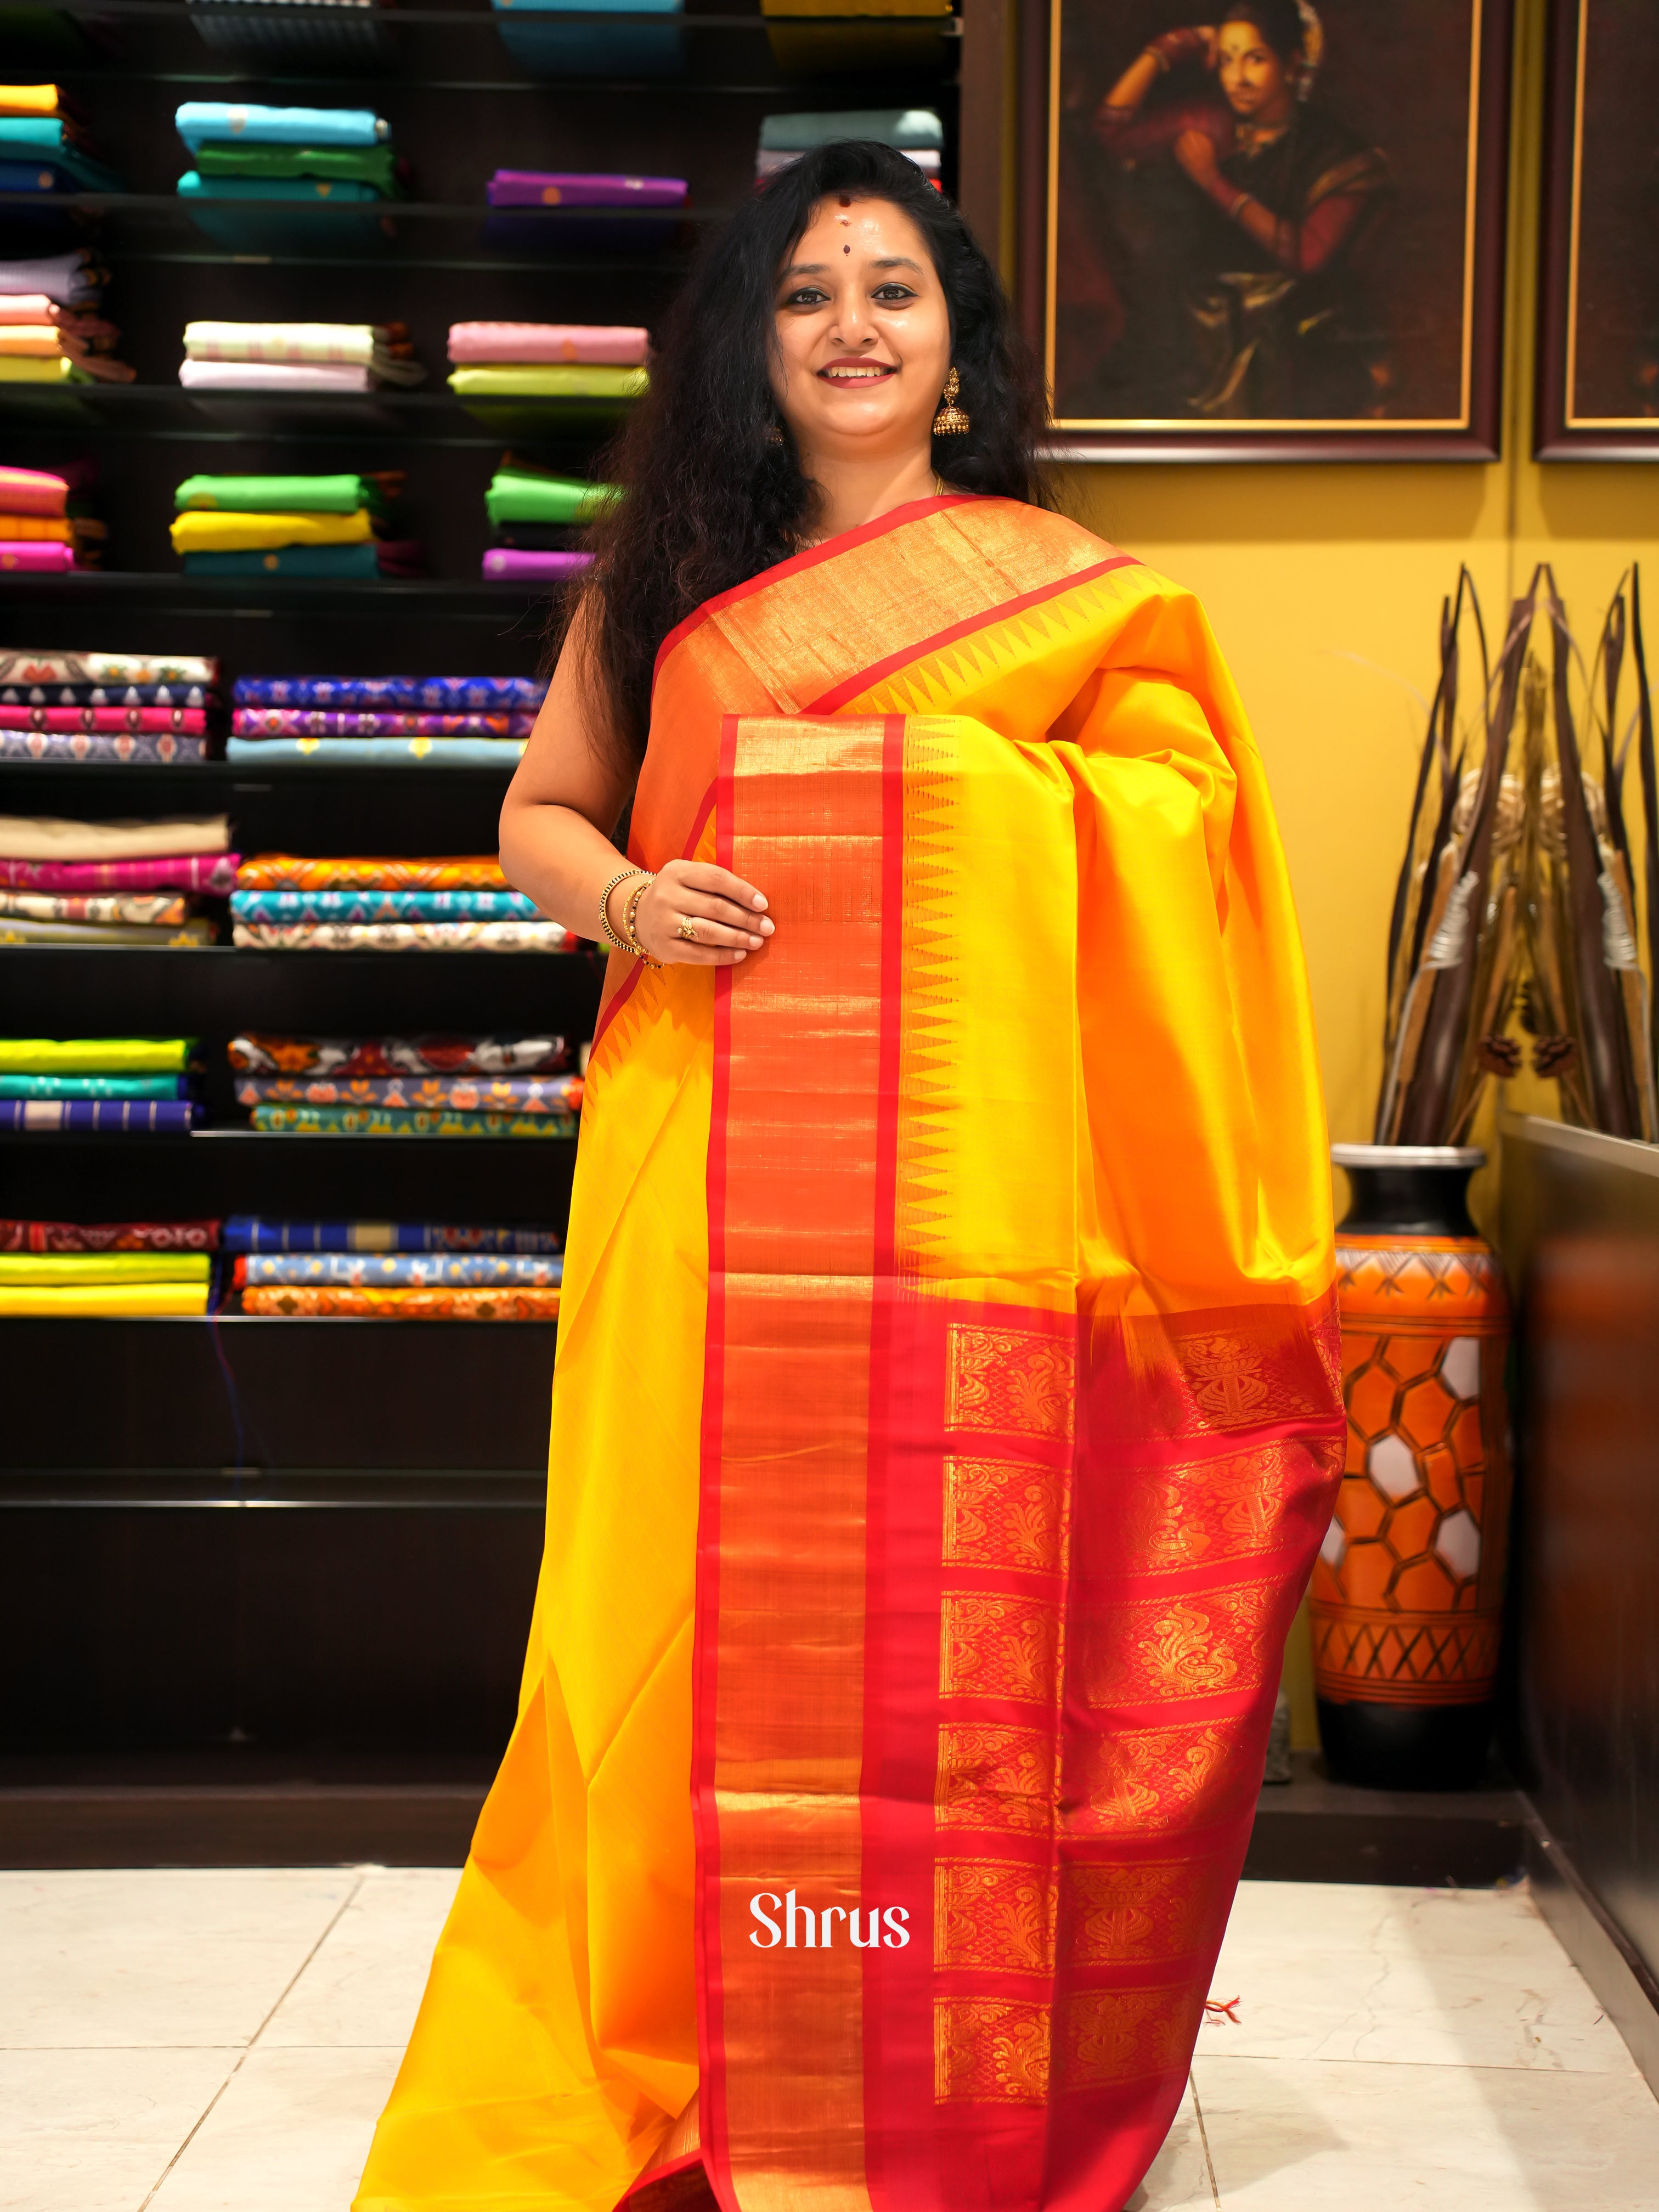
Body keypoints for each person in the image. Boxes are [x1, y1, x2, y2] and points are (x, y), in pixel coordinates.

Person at [352, 137, 1342, 2212]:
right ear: (751, 341)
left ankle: (910, 2040)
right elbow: (539, 812)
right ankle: (688, 2037)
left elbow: (1175, 820)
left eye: (888, 287)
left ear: (953, 344)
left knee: (934, 1598)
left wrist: (937, 789)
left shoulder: (1051, 579)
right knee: (674, 1599)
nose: (849, 327)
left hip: (969, 1200)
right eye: (804, 293)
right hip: (701, 1152)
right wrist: (627, 894)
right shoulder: (672, 578)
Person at [1063, 0, 1389, 419]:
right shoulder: (1211, 122)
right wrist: (1168, 48)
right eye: (1228, 61)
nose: (1239, 79)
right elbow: (1110, 131)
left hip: (1292, 334)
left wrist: (1213, 182)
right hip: (1199, 332)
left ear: (1291, 65)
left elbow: (1306, 254)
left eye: (1255, 60)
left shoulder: (1336, 152)